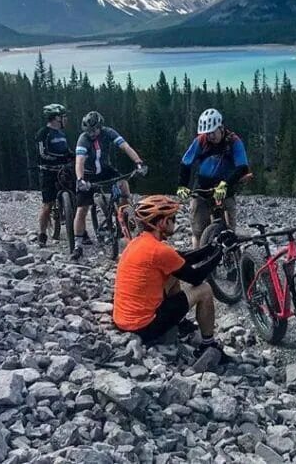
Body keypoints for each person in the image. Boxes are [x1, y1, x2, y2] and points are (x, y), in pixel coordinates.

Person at [112, 195, 232, 356]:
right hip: (144, 327)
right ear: (162, 223)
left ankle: (179, 323)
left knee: (173, 272)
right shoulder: (159, 250)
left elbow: (181, 258)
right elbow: (196, 277)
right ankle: (208, 345)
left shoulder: (139, 242)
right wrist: (221, 251)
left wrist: (213, 246)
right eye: (172, 219)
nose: (175, 222)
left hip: (124, 321)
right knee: (204, 289)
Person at [72, 111, 147, 259]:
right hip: (88, 173)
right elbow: (79, 161)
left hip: (105, 169)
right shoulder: (83, 139)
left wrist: (139, 162)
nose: (91, 133)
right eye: (88, 131)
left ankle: (124, 216)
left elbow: (125, 147)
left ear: (100, 127)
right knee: (82, 209)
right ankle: (77, 245)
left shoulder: (108, 133)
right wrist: (80, 179)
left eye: (94, 130)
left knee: (123, 185)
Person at [176, 108, 250, 248]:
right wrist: (182, 185)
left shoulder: (233, 141)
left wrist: (225, 185)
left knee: (229, 232)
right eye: (207, 133)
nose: (210, 136)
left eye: (213, 132)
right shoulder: (201, 141)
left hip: (226, 188)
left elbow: (242, 167)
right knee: (198, 231)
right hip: (202, 188)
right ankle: (199, 262)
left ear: (221, 127)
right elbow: (186, 163)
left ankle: (230, 261)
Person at [35, 104, 74, 245]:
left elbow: (66, 151)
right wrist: (61, 158)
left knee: (75, 197)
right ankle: (42, 234)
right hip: (48, 172)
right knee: (47, 205)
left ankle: (77, 229)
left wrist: (75, 156)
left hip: (63, 171)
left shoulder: (62, 134)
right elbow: (42, 153)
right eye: (64, 117)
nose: (66, 119)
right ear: (57, 117)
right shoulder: (43, 133)